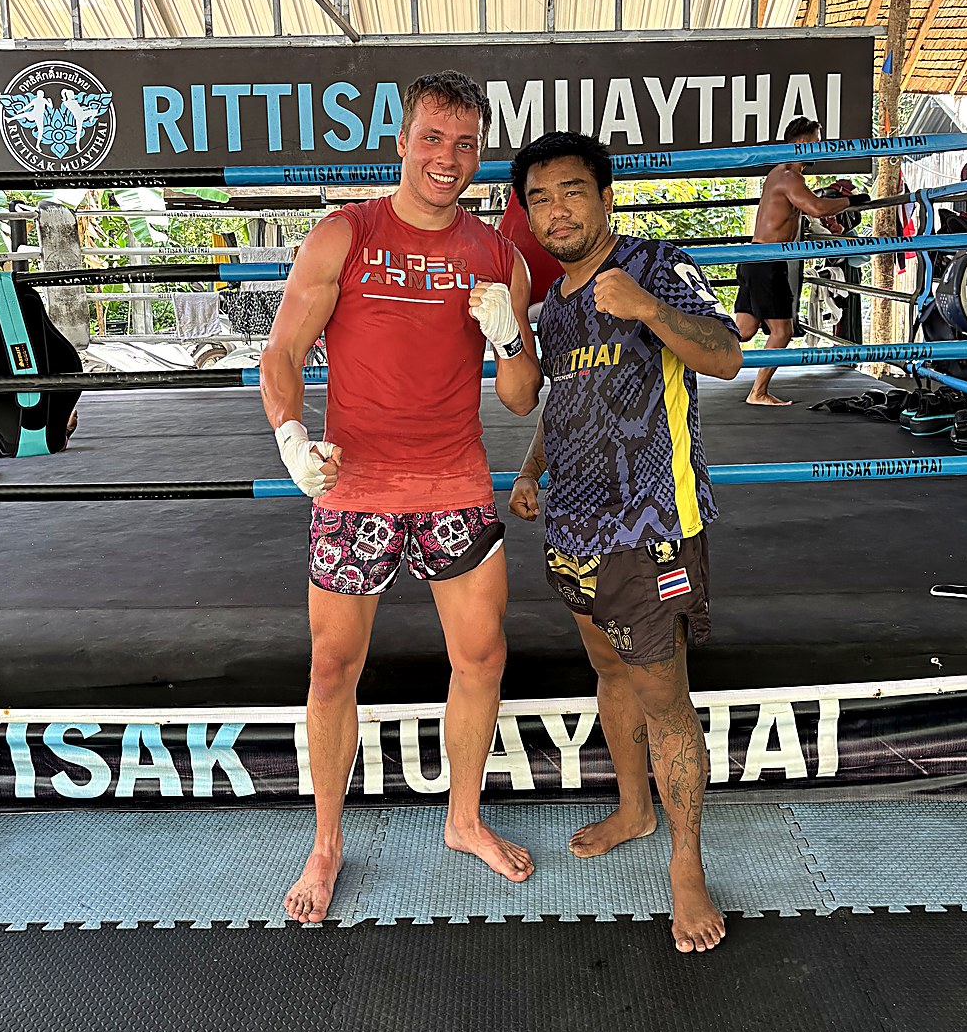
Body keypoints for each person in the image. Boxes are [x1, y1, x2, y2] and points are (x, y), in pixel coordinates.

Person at [261, 70, 543, 925]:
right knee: (332, 666)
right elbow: (282, 353)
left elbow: (522, 397)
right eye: (432, 139)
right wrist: (289, 436)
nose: (445, 159)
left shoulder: (498, 258)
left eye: (464, 145)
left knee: (482, 657)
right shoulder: (344, 235)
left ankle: (462, 821)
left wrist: (510, 333)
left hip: (454, 481)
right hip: (355, 488)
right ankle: (326, 842)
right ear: (402, 140)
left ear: (479, 154)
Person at [507, 130, 742, 954]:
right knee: (607, 668)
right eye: (538, 197)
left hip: (650, 532)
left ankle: (685, 864)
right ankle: (637, 808)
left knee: (665, 698)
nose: (555, 209)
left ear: (606, 197)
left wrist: (646, 308)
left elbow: (726, 355)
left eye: (571, 190)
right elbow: (559, 399)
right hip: (572, 528)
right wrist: (532, 468)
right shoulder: (556, 304)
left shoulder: (656, 263)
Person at [733, 116, 867, 407]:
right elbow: (816, 208)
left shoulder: (778, 173)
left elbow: (805, 212)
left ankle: (685, 350)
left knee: (743, 331)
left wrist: (833, 222)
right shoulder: (790, 177)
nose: (819, 148)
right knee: (783, 331)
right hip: (768, 262)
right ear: (803, 143)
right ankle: (758, 392)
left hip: (755, 259)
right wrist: (851, 201)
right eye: (816, 142)